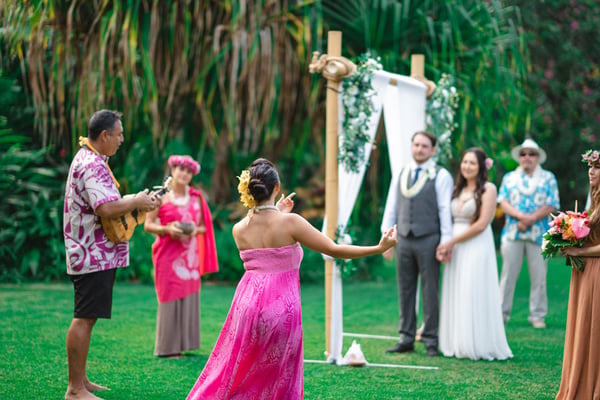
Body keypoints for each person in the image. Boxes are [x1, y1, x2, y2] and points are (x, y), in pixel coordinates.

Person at [186, 158, 397, 399]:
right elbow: (334, 250)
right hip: (280, 308)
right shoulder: (291, 223)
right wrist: (379, 248)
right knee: (276, 376)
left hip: (246, 304)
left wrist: (278, 211)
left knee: (240, 369)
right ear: (276, 188)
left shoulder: (239, 228)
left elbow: (264, 242)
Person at [63, 110, 160, 400]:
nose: (121, 139)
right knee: (83, 317)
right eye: (118, 134)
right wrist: (137, 200)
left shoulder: (91, 159)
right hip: (90, 253)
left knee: (87, 317)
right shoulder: (91, 163)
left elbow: (106, 204)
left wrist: (136, 203)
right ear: (104, 135)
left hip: (93, 252)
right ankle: (75, 389)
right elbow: (104, 208)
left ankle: (81, 380)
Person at [381, 130, 453, 357]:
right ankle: (406, 337)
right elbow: (391, 207)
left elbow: (444, 209)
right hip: (403, 239)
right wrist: (387, 239)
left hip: (429, 238)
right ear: (412, 147)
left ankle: (431, 338)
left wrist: (446, 241)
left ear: (432, 150)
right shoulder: (402, 172)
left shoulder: (441, 175)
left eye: (424, 146)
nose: (419, 149)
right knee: (405, 288)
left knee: (430, 290)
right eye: (416, 145)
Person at [436, 148, 512, 360]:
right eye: (465, 162)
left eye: (472, 163)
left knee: (472, 288)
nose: (467, 166)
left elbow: (481, 224)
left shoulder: (489, 189)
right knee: (456, 289)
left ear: (480, 167)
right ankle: (455, 341)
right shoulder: (456, 188)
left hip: (476, 244)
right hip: (455, 244)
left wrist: (451, 242)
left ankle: (476, 343)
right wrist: (446, 244)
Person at [143, 155, 219, 357]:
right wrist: (167, 229)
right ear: (172, 171)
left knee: (188, 295)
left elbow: (204, 227)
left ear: (191, 175)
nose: (184, 174)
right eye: (180, 169)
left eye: (188, 171)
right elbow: (148, 225)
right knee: (169, 295)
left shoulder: (196, 198)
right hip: (167, 255)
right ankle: (167, 347)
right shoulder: (161, 197)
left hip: (190, 256)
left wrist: (194, 230)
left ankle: (184, 344)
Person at [497, 138, 560, 329]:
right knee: (508, 275)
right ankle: (501, 314)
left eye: (531, 154)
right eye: (524, 154)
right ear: (519, 157)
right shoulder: (510, 178)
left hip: (539, 234)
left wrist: (531, 219)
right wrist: (521, 217)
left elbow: (552, 204)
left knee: (539, 276)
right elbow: (503, 202)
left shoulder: (548, 178)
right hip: (512, 233)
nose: (527, 157)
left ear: (538, 157)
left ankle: (537, 315)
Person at [556, 150, 600, 399]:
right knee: (583, 327)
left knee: (594, 328)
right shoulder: (594, 199)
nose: (591, 172)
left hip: (596, 272)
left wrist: (579, 251)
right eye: (590, 167)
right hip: (585, 271)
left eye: (596, 168)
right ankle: (581, 380)